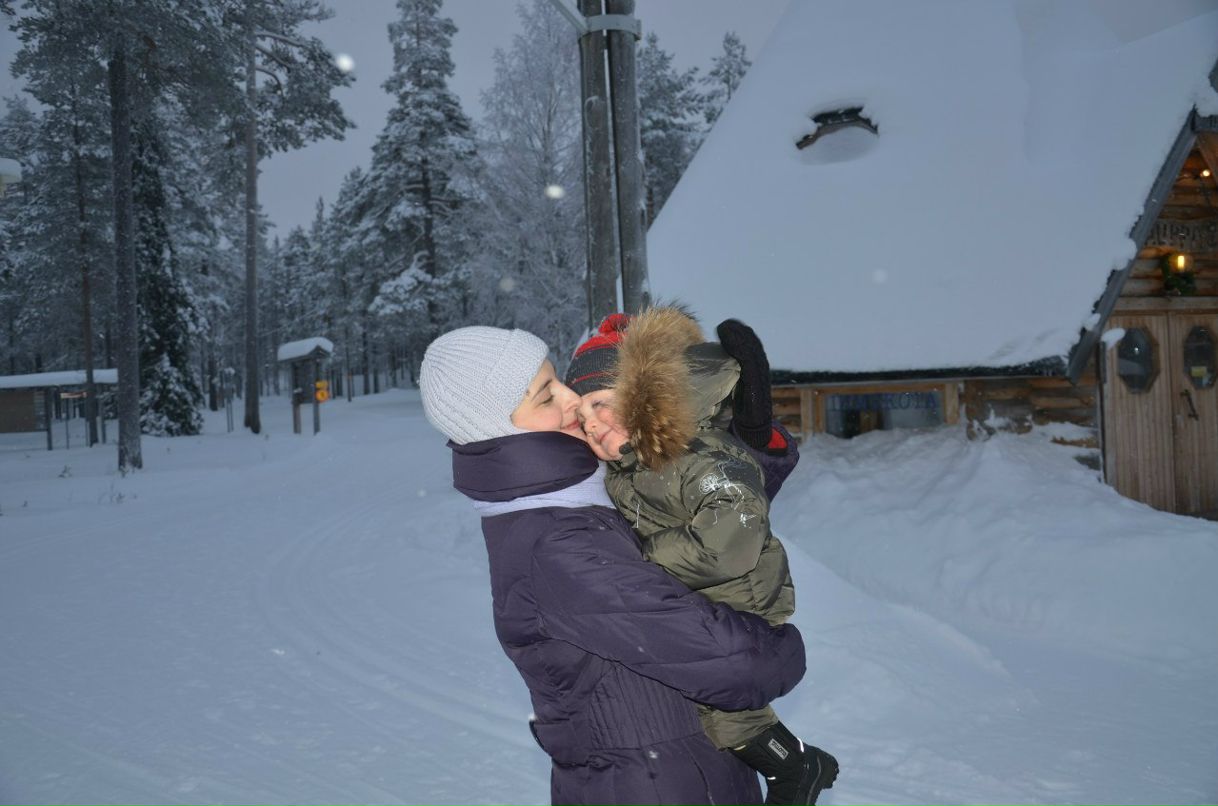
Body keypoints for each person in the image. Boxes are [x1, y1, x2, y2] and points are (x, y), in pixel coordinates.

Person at [419, 325, 807, 806]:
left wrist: (743, 448)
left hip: (685, 774)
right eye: (546, 396)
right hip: (652, 787)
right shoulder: (557, 545)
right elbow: (740, 665)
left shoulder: (578, 496)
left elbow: (691, 522)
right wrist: (782, 645)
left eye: (557, 379)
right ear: (503, 427)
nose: (571, 400)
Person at [565, 308, 839, 806]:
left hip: (742, 596)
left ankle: (797, 767)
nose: (593, 425)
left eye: (602, 403)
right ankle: (793, 763)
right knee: (711, 709)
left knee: (726, 711)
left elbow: (728, 540)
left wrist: (639, 560)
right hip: (703, 595)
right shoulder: (632, 462)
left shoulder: (698, 453)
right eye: (582, 419)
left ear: (642, 396)